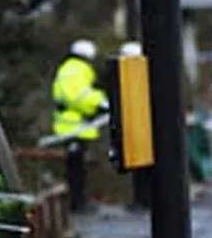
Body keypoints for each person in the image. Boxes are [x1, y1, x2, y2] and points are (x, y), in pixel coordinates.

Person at [51, 39, 109, 212]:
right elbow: (78, 96)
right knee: (76, 168)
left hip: (73, 125)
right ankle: (78, 203)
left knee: (77, 167)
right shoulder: (76, 70)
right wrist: (100, 103)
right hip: (74, 126)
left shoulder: (70, 68)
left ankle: (79, 201)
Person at [119, 41, 152, 211]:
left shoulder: (129, 72)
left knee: (139, 168)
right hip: (142, 128)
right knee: (142, 167)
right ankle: (145, 199)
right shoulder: (147, 70)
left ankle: (142, 200)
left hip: (136, 128)